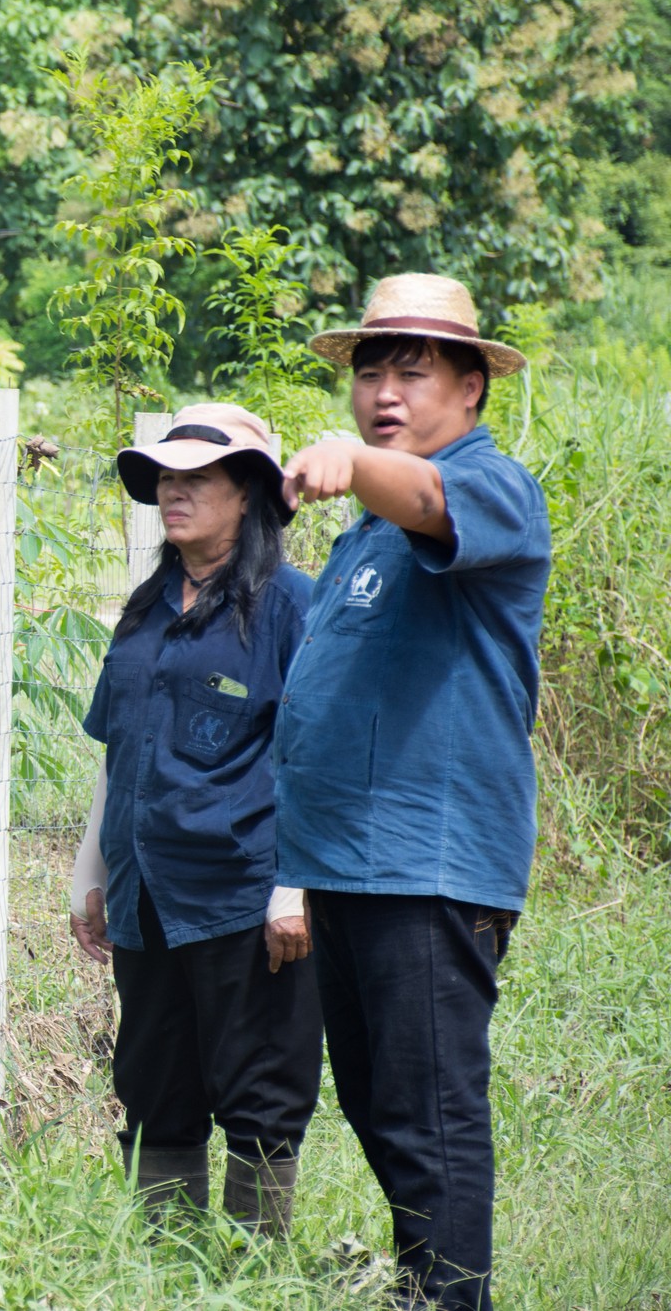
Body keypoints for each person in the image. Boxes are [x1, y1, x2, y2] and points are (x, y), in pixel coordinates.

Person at [278, 274, 550, 1311]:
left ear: (471, 387)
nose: (384, 392)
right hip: (345, 865)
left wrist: (352, 462)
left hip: (426, 865)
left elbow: (428, 499)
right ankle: (421, 1288)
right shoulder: (364, 533)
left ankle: (449, 1300)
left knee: (429, 1115)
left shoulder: (490, 487)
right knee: (381, 1107)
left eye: (412, 372)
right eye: (369, 374)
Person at [70, 402, 320, 1234]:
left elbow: (318, 759)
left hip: (243, 894)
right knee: (153, 1082)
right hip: (145, 894)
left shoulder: (293, 608)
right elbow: (119, 748)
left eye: (196, 478)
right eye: (163, 478)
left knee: (260, 1088)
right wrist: (91, 871)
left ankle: (254, 1267)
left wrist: (294, 887)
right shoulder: (144, 610)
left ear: (248, 493)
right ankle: (167, 1263)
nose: (172, 493)